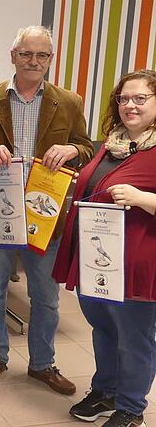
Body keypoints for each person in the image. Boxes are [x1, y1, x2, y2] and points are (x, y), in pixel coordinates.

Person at [0, 26, 93, 394]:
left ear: (50, 60)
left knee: (46, 296)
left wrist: (72, 151)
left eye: (42, 55)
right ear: (13, 56)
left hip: (45, 214)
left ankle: (42, 364)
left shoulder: (69, 102)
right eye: (26, 54)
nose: (33, 61)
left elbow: (87, 148)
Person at [53, 69, 156, 427]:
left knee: (134, 338)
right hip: (96, 260)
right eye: (124, 98)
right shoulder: (111, 143)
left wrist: (144, 199)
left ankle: (131, 408)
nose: (130, 105)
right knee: (103, 328)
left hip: (136, 264)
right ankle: (106, 389)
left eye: (140, 98)